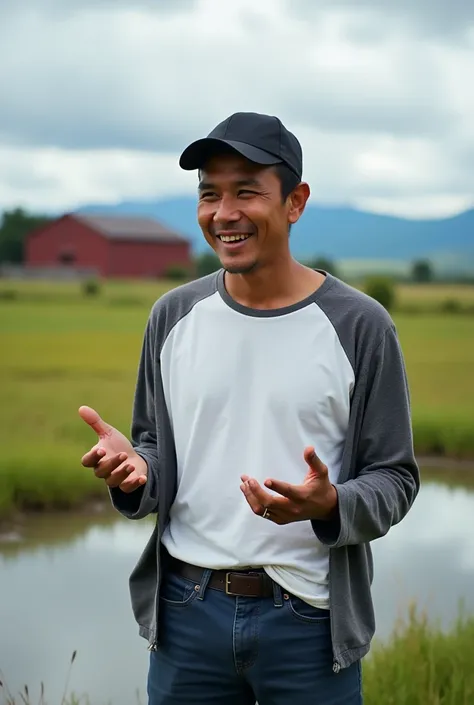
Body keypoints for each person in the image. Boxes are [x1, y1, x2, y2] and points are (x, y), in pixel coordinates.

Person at [79, 112, 420, 705]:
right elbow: (155, 452)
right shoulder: (172, 317)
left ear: (295, 202)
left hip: (310, 623)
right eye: (209, 193)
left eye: (246, 192)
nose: (223, 212)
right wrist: (138, 472)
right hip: (186, 615)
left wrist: (332, 503)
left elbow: (395, 477)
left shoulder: (360, 326)